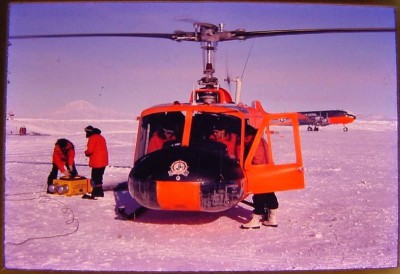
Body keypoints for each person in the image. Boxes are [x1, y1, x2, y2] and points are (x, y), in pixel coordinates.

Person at [240, 124, 279, 229]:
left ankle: (256, 219)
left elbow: (257, 159)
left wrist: (246, 165)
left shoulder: (255, 143)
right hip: (267, 171)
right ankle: (272, 218)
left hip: (259, 172)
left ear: (249, 135)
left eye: (245, 138)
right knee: (269, 193)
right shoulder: (261, 140)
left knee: (258, 196)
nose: (244, 141)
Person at [82, 125, 109, 199]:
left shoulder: (92, 138)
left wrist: (86, 153)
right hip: (103, 160)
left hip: (97, 161)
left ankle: (97, 192)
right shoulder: (101, 137)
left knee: (95, 177)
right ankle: (99, 192)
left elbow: (90, 150)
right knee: (99, 177)